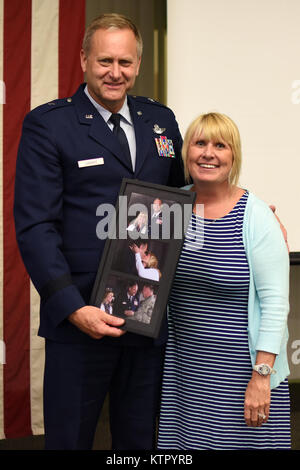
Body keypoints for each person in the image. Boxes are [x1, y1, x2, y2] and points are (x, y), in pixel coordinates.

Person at [14, 13, 184, 450]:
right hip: (80, 319)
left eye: (125, 62)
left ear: (138, 64)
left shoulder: (159, 121)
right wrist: (72, 307)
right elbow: (36, 227)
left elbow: (187, 197)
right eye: (104, 60)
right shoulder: (49, 125)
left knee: (141, 442)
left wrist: (250, 211)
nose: (115, 72)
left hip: (145, 317)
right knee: (70, 441)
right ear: (84, 58)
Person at [157, 112, 291, 450]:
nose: (208, 153)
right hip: (185, 375)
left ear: (234, 156)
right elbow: (138, 266)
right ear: (186, 152)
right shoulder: (169, 208)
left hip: (244, 375)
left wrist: (261, 378)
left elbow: (276, 304)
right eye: (199, 143)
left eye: (220, 145)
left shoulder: (256, 216)